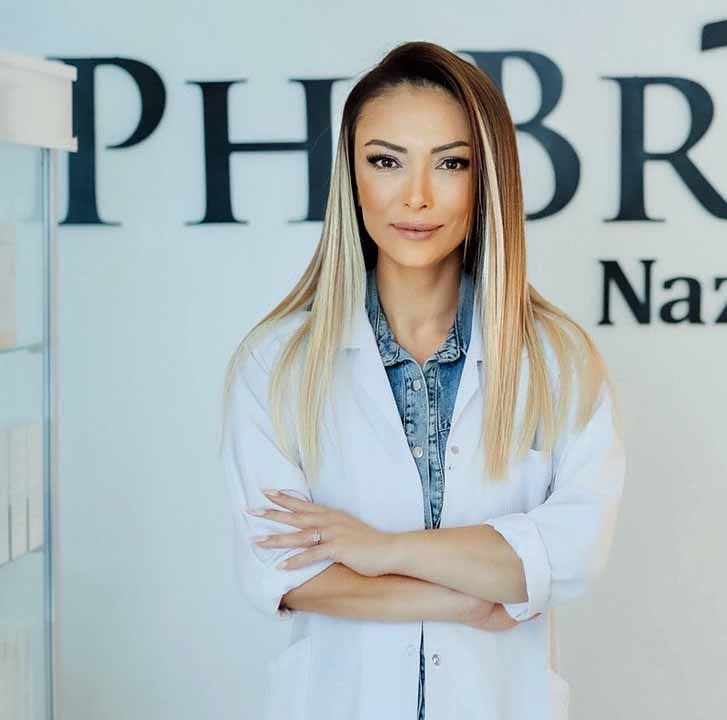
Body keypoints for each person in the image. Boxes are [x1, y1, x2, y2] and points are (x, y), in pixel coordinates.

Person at [218, 40, 625, 720]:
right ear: (351, 176)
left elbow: (574, 554)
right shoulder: (276, 364)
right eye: (386, 161)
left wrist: (378, 551)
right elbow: (285, 571)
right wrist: (467, 597)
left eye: (451, 163)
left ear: (487, 180)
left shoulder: (558, 362)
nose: (416, 196)